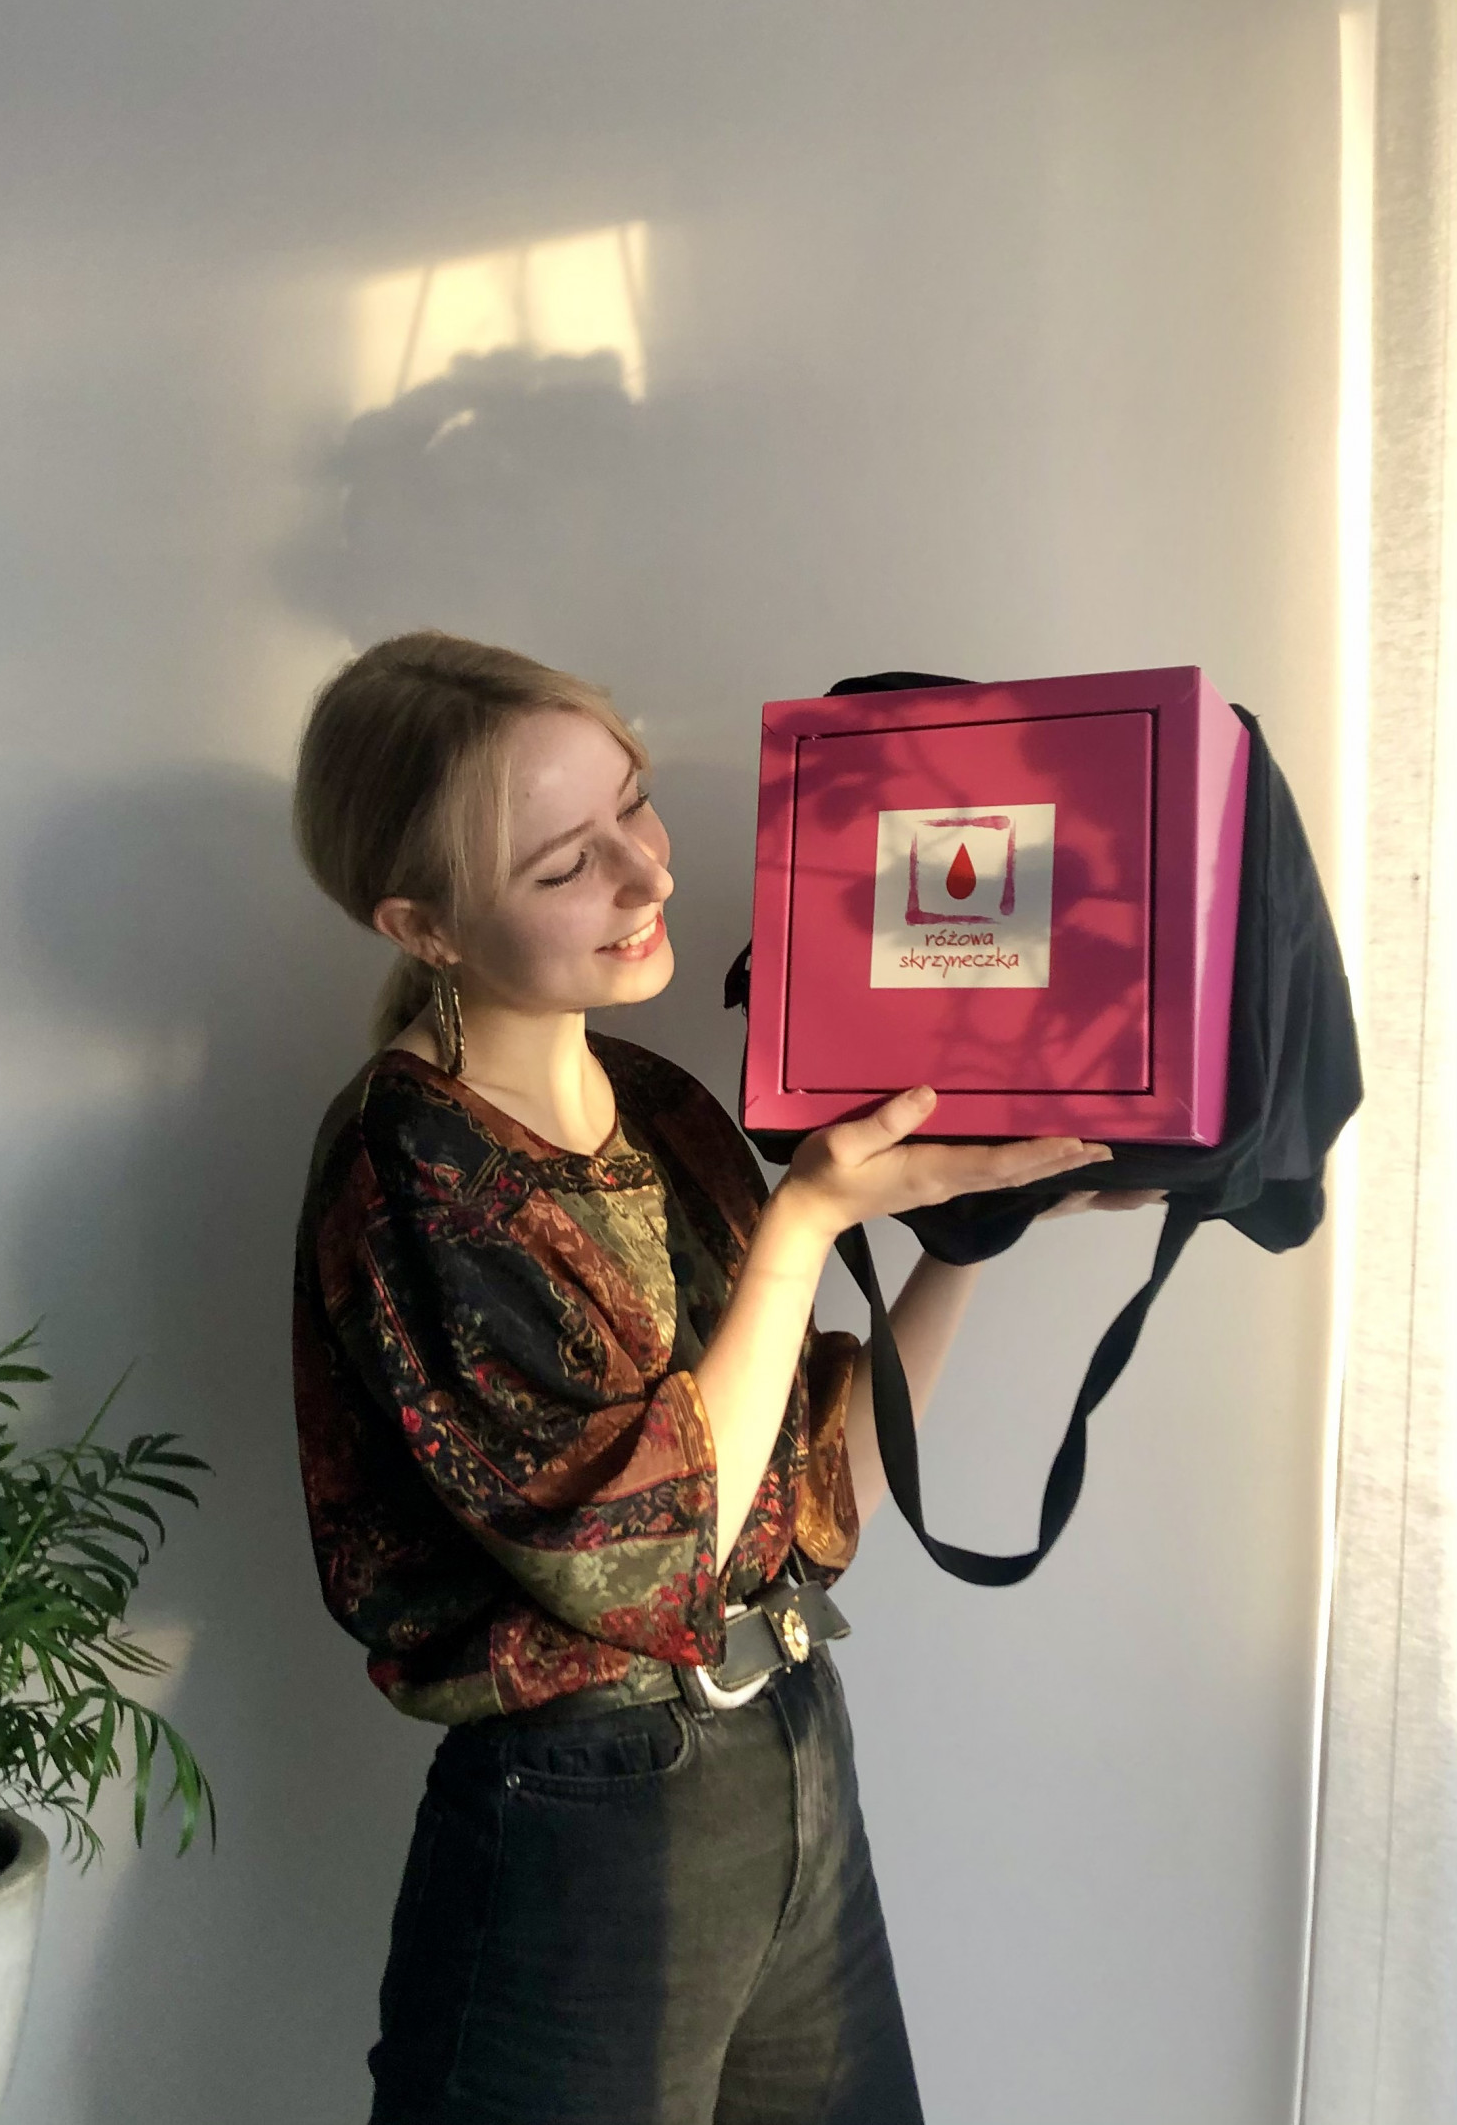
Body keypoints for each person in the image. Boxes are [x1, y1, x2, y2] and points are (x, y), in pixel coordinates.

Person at [288, 631, 1161, 2125]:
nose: (649, 873)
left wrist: (975, 1227)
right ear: (421, 923)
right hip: (586, 1819)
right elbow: (651, 1557)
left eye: (633, 802)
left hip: (788, 1753)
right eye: (568, 862)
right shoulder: (410, 1164)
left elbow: (819, 1488)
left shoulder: (662, 1105)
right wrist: (807, 1217)